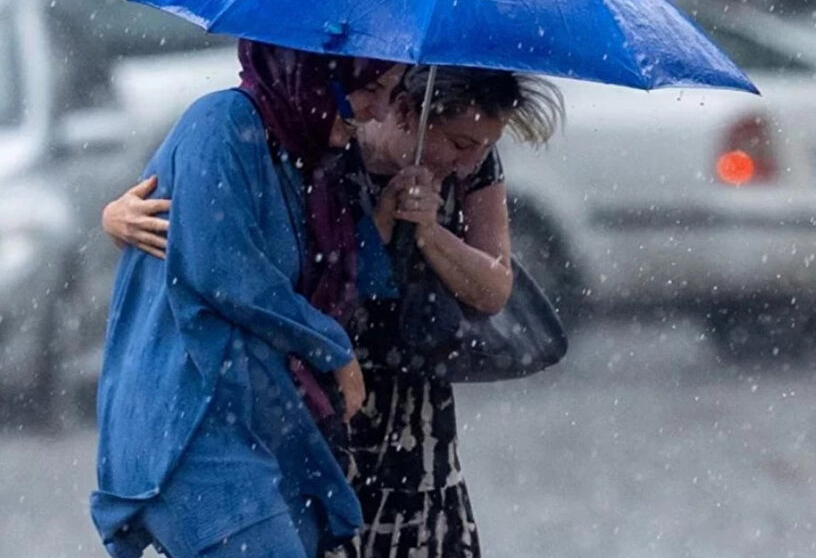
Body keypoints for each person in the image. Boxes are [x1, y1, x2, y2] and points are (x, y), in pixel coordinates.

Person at [103, 64, 564, 557]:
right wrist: (113, 220)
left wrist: (430, 233)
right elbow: (233, 248)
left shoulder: (469, 171)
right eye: (459, 144)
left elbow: (494, 288)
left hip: (410, 394)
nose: (470, 162)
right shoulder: (328, 138)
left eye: (484, 148)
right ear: (411, 113)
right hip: (319, 387)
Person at [90, 38, 406, 558]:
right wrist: (334, 349)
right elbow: (227, 273)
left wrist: (402, 209)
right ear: (307, 73)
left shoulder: (305, 156)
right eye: (370, 88)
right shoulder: (220, 125)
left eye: (391, 91)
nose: (379, 110)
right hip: (190, 428)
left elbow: (356, 275)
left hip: (262, 424)